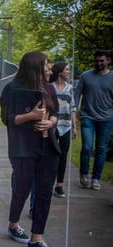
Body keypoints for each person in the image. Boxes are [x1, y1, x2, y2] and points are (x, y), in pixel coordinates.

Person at [1, 51, 60, 247]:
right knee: (22, 188)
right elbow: (7, 119)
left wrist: (50, 122)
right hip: (23, 148)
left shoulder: (49, 88)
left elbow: (56, 112)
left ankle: (37, 239)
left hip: (48, 147)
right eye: (47, 66)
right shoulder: (12, 89)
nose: (50, 70)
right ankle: (14, 223)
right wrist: (31, 116)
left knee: (44, 193)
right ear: (35, 67)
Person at [74, 50, 113, 191]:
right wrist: (74, 114)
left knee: (101, 149)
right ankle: (84, 174)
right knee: (87, 147)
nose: (99, 63)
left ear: (108, 60)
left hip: (107, 119)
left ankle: (96, 178)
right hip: (87, 117)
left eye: (102, 60)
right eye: (96, 60)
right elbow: (77, 96)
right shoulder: (86, 76)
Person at [50, 62, 77, 197]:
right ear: (60, 71)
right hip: (53, 126)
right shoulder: (51, 88)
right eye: (67, 70)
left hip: (66, 126)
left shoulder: (70, 88)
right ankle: (48, 182)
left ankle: (59, 185)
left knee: (63, 156)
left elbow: (73, 108)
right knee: (51, 155)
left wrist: (74, 127)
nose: (68, 72)